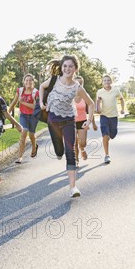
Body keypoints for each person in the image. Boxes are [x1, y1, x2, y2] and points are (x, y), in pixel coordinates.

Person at [39, 55, 94, 198]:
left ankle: (73, 187)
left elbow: (91, 103)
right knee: (59, 151)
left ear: (75, 68)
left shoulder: (77, 88)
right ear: (62, 67)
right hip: (53, 121)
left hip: (69, 120)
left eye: (70, 66)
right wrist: (40, 103)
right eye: (65, 66)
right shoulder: (53, 80)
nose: (67, 69)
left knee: (70, 152)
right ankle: (58, 152)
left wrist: (89, 120)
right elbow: (41, 87)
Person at [8, 74, 40, 164]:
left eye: (30, 80)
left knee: (32, 135)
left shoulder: (36, 92)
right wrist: (8, 113)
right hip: (23, 115)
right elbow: (14, 102)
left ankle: (34, 147)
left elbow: (34, 107)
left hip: (33, 116)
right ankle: (20, 157)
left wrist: (22, 102)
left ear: (33, 82)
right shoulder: (20, 90)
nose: (28, 82)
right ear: (24, 82)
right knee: (24, 132)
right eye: (26, 80)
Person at [95, 75, 125, 164]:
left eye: (108, 80)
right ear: (102, 82)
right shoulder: (99, 91)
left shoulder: (116, 90)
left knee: (112, 134)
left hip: (114, 116)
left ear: (111, 81)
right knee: (105, 135)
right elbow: (98, 101)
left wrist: (123, 109)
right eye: (104, 80)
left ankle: (109, 136)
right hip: (104, 116)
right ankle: (107, 155)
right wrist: (98, 108)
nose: (106, 82)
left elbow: (122, 99)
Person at [73, 76, 97, 163]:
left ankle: (82, 149)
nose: (78, 85)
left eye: (80, 83)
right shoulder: (69, 95)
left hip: (82, 122)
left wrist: (93, 123)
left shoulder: (85, 96)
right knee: (74, 143)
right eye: (77, 82)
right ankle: (76, 160)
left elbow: (90, 108)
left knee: (83, 143)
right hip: (71, 122)